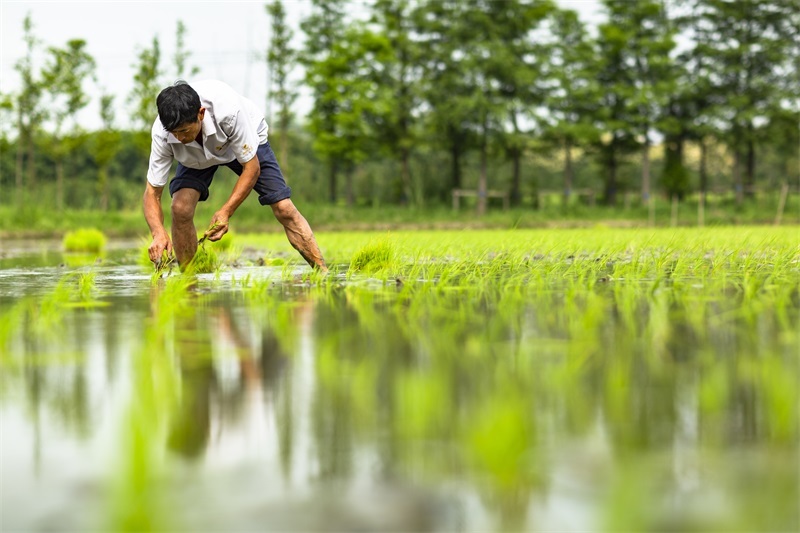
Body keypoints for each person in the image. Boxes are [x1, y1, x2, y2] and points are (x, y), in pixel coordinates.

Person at [143, 79, 327, 271]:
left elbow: (252, 168)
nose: (179, 138)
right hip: (195, 158)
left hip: (241, 144)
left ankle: (323, 272)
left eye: (184, 131)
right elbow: (152, 192)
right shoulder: (162, 133)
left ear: (201, 114)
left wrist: (226, 211)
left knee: (284, 207)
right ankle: (188, 282)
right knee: (180, 208)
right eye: (174, 133)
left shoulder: (228, 111)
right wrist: (158, 233)